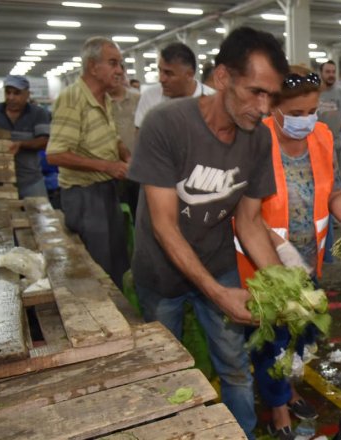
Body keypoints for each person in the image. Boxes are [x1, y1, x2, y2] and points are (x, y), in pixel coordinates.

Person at [127, 26, 290, 438]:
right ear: (222, 78)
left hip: (217, 263)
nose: (265, 108)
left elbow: (250, 223)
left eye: (271, 96)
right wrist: (217, 295)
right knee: (166, 368)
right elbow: (163, 224)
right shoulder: (166, 124)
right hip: (160, 272)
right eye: (255, 92)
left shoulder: (257, 140)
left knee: (235, 366)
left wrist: (283, 288)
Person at [235, 65, 341, 440]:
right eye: (296, 114)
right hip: (265, 267)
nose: (306, 121)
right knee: (271, 344)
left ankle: (289, 390)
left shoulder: (322, 138)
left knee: (300, 337)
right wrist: (280, 255)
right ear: (273, 107)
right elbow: (242, 214)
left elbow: (335, 191)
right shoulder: (254, 142)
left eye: (312, 112)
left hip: (308, 262)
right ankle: (277, 409)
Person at [47, 37, 131, 290]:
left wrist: (126, 156)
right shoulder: (73, 99)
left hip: (105, 191)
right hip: (84, 196)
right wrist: (108, 166)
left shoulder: (103, 98)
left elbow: (113, 139)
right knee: (98, 268)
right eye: (113, 63)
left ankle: (120, 317)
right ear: (93, 67)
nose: (120, 70)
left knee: (117, 260)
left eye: (121, 64)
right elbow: (56, 154)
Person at [0, 74, 51, 198]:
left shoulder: (38, 113)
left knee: (40, 215)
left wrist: (21, 144)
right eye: (8, 92)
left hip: (30, 181)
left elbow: (45, 142)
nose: (11, 97)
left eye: (17, 93)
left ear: (27, 94)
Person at [134, 42, 215, 129]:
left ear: (189, 75)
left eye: (169, 73)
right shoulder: (150, 97)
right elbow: (140, 136)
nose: (161, 79)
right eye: (160, 71)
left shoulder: (213, 101)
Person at [109, 67, 141, 215]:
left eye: (118, 74)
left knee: (139, 209)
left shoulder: (138, 98)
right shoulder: (101, 101)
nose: (116, 78)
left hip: (139, 166)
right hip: (112, 169)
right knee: (118, 211)